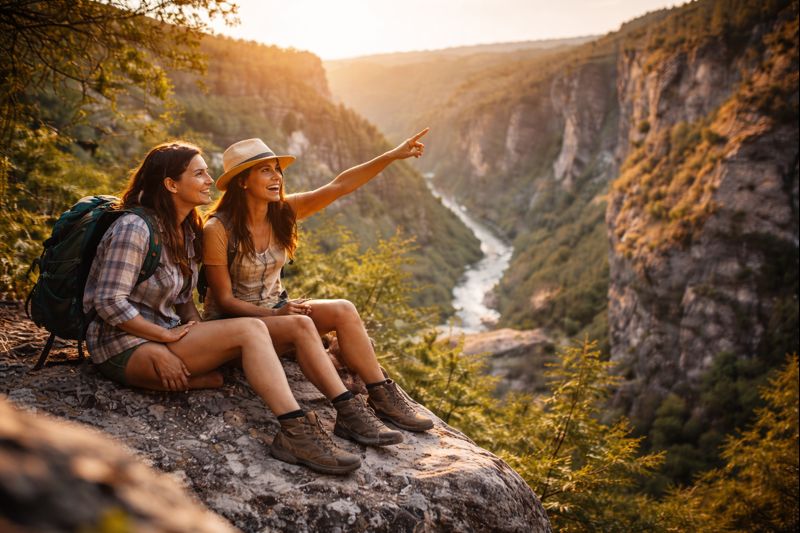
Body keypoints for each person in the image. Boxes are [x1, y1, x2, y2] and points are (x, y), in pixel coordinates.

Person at [83, 141, 366, 475]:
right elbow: (106, 301)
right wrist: (161, 337)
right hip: (121, 343)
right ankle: (296, 431)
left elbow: (183, 296)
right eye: (199, 174)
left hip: (166, 334)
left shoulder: (186, 229)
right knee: (249, 330)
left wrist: (201, 333)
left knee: (228, 361)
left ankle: (340, 412)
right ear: (172, 184)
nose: (209, 180)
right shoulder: (134, 228)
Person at [202, 129, 435, 440]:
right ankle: (348, 412)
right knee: (300, 325)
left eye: (277, 169)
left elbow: (339, 186)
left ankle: (383, 397)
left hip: (277, 312)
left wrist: (391, 155)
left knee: (343, 309)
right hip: (238, 326)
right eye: (265, 170)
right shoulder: (218, 229)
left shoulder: (282, 212)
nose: (277, 178)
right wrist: (277, 315)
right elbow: (224, 301)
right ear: (242, 181)